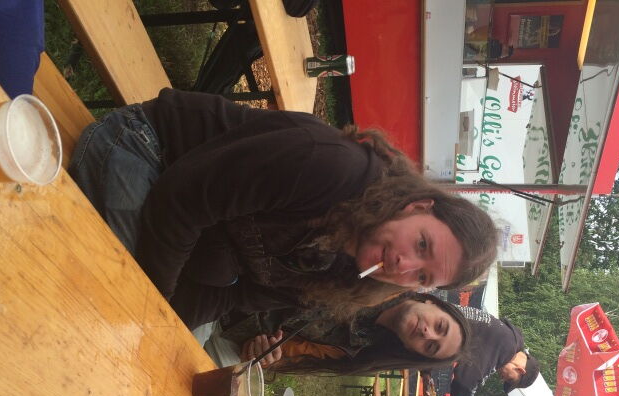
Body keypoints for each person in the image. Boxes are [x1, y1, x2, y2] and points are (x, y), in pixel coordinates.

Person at [69, 89, 498, 331]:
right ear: (418, 206)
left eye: (422, 277)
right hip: (146, 149)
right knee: (109, 309)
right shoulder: (333, 169)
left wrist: (165, 326)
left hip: (184, 232)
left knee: (166, 356)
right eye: (422, 245)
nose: (404, 266)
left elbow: (235, 296)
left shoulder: (348, 279)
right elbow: (182, 200)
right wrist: (153, 309)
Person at [206, 292, 473, 374]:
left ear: (411, 351)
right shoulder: (384, 276)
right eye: (440, 326)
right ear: (432, 302)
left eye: (430, 347)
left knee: (218, 380)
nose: (427, 333)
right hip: (229, 289)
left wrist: (264, 356)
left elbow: (282, 353)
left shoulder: (356, 353)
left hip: (230, 332)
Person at [421, 307, 540, 396]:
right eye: (510, 379)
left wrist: (426, 377)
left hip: (429, 314)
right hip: (425, 324)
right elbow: (465, 381)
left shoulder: (505, 337)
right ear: (520, 370)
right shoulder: (505, 348)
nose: (502, 378)